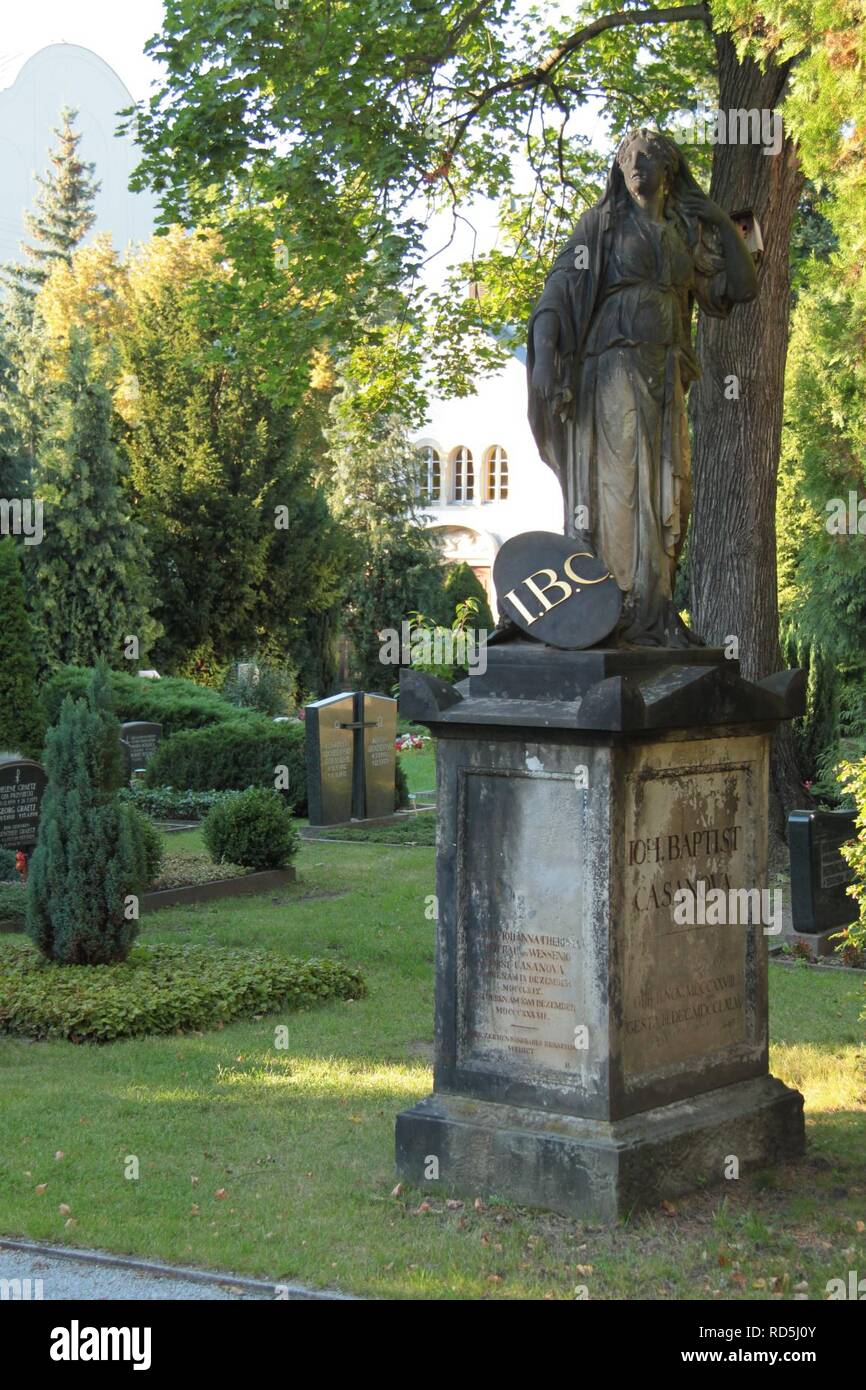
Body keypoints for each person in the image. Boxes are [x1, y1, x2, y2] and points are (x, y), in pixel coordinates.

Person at [527, 127, 758, 647]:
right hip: (612, 367)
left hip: (666, 376)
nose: (635, 166)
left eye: (647, 158)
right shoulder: (602, 227)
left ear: (667, 171)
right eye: (628, 158)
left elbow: (742, 288)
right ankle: (616, 605)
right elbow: (558, 290)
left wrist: (718, 218)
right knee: (620, 486)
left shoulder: (683, 233)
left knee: (669, 491)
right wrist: (544, 355)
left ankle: (655, 608)